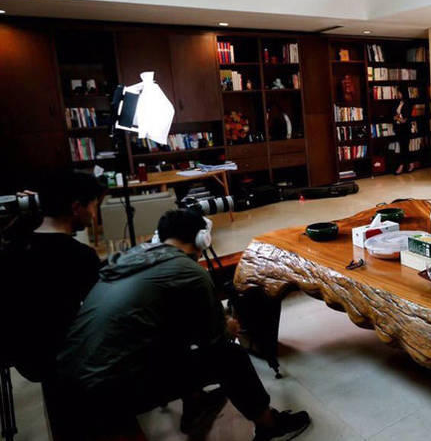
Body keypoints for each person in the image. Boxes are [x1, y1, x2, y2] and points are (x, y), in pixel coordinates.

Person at [54, 209, 310, 440]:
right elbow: (214, 340)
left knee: (171, 335)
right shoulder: (189, 272)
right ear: (202, 239)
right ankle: (269, 426)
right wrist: (228, 328)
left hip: (69, 381)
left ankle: (196, 402)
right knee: (230, 357)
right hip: (108, 391)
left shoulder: (129, 260)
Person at [0, 170, 105, 383]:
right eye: (94, 206)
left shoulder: (14, 248)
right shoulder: (80, 256)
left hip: (23, 357)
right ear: (76, 207)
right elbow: (100, 311)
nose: (94, 215)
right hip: (64, 357)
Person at [392, 84, 413, 174]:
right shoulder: (398, 102)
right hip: (398, 128)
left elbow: (405, 120)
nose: (398, 94)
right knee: (403, 148)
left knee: (404, 148)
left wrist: (397, 118)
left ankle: (401, 166)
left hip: (405, 129)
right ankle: (410, 164)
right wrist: (396, 118)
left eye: (399, 92)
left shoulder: (408, 103)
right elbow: (394, 114)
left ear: (403, 93)